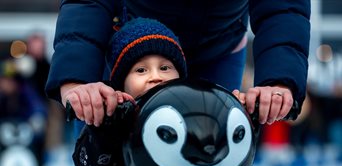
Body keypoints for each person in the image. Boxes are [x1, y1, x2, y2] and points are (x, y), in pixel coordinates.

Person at [46, 0, 311, 128]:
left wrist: (279, 79)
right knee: (105, 163)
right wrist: (77, 80)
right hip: (133, 50)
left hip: (219, 47)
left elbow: (282, 6)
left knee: (217, 157)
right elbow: (88, 2)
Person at [71, 17, 187, 166]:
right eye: (141, 70)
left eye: (165, 67)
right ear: (122, 84)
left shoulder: (190, 118)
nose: (156, 76)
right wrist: (107, 128)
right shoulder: (113, 117)